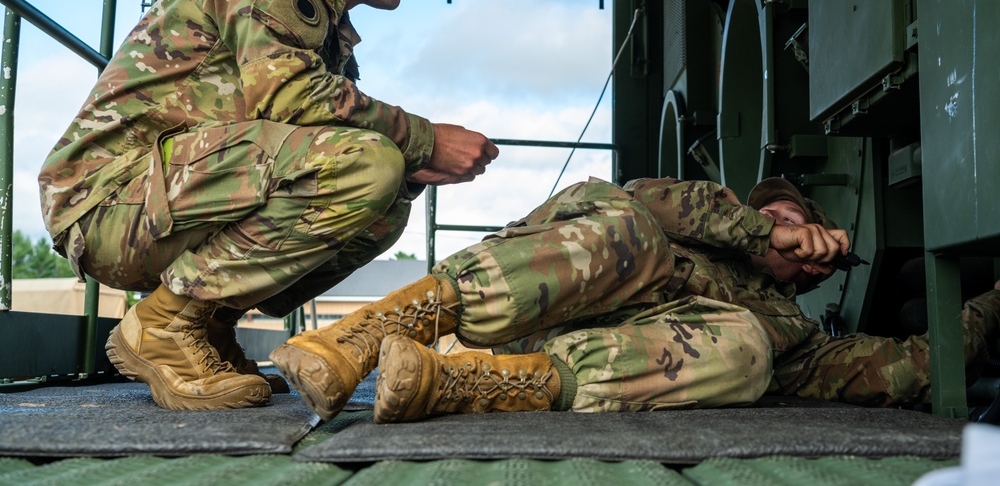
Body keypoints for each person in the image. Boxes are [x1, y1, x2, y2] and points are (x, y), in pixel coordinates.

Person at [37, 0, 499, 411]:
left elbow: (310, 118)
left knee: (388, 195)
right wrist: (423, 140)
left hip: (160, 194)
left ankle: (206, 322)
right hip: (108, 197)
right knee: (371, 165)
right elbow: (289, 96)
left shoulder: (319, 13)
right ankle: (167, 323)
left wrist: (411, 161)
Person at [269, 176, 1000, 422]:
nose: (777, 225)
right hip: (534, 294)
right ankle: (358, 337)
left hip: (558, 369)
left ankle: (446, 384)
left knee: (749, 354)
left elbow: (916, 366)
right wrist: (753, 231)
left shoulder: (794, 333)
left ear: (813, 271)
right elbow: (643, 200)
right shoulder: (702, 221)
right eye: (768, 214)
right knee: (628, 223)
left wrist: (997, 301)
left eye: (791, 219)